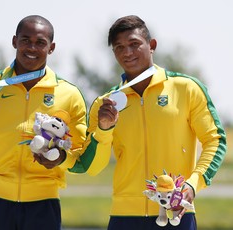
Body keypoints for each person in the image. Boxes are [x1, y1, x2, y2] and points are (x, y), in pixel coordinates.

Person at [70, 15, 227, 229]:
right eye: (119, 47)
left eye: (134, 44)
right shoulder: (104, 104)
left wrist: (192, 185)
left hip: (176, 211)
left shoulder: (186, 88)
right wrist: (104, 130)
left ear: (151, 45)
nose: (127, 52)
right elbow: (93, 167)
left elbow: (215, 141)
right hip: (124, 217)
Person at [0, 15, 87, 230]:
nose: (31, 47)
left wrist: (61, 158)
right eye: (25, 40)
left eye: (40, 42)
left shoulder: (69, 94)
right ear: (14, 42)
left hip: (44, 205)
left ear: (52, 47)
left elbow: (81, 157)